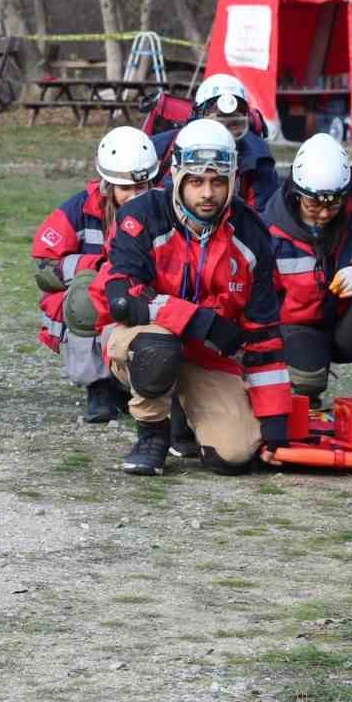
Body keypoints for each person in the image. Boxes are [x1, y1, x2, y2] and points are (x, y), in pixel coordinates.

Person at [74, 118, 288, 476]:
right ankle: (152, 433)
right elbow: (125, 297)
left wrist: (276, 423)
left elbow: (264, 335)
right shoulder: (141, 215)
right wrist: (198, 321)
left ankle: (189, 418)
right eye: (197, 181)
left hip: (207, 356)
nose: (207, 193)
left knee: (235, 455)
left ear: (233, 179)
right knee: (158, 349)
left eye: (218, 182)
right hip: (142, 340)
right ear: (177, 176)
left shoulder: (252, 235)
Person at [262, 133, 352, 412]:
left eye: (334, 204)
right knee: (304, 382)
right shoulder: (268, 228)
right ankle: (304, 393)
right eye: (313, 205)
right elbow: (261, 301)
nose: (324, 214)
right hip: (298, 328)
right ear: (296, 192)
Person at [33, 126, 160, 423]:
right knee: (84, 295)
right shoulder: (78, 209)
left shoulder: (166, 208)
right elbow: (43, 266)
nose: (133, 196)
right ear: (108, 185)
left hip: (148, 292)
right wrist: (97, 265)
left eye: (141, 188)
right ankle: (99, 386)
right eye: (125, 188)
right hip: (100, 296)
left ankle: (149, 380)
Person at [149, 74, 278, 209]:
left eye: (233, 125)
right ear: (196, 118)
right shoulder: (165, 145)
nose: (224, 136)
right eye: (217, 124)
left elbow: (261, 216)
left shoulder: (259, 160)